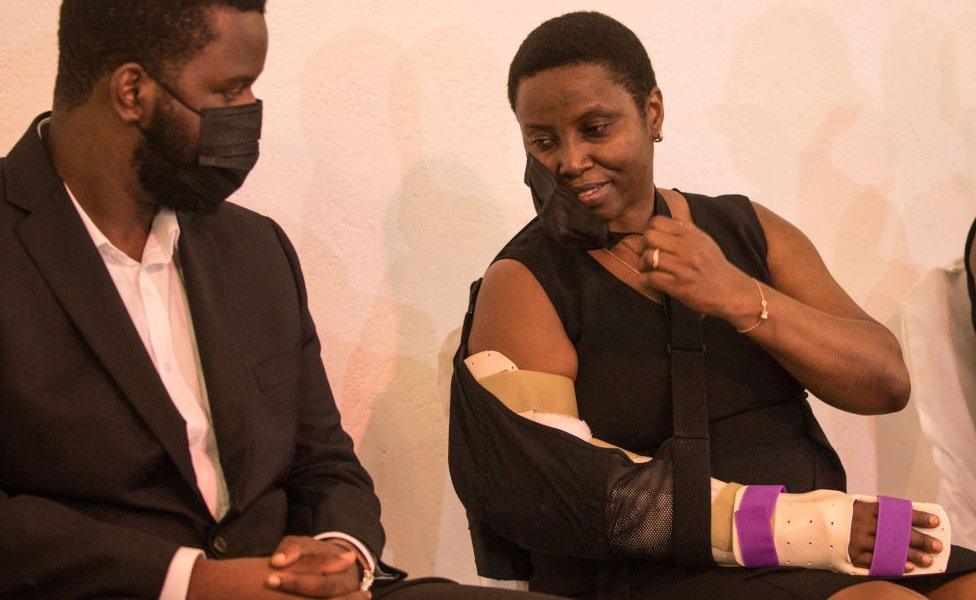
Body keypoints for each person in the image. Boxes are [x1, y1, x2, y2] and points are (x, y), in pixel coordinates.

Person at [0, 2, 564, 599]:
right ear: (132, 91)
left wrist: (343, 552)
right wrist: (192, 583)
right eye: (232, 89)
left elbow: (326, 463)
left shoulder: (253, 248)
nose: (250, 116)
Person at [450, 11, 976, 600]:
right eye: (542, 140)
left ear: (652, 113)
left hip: (820, 546)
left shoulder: (749, 230)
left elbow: (885, 383)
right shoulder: (524, 281)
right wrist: (808, 529)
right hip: (653, 570)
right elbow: (560, 483)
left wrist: (740, 297)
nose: (570, 161)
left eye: (595, 128)